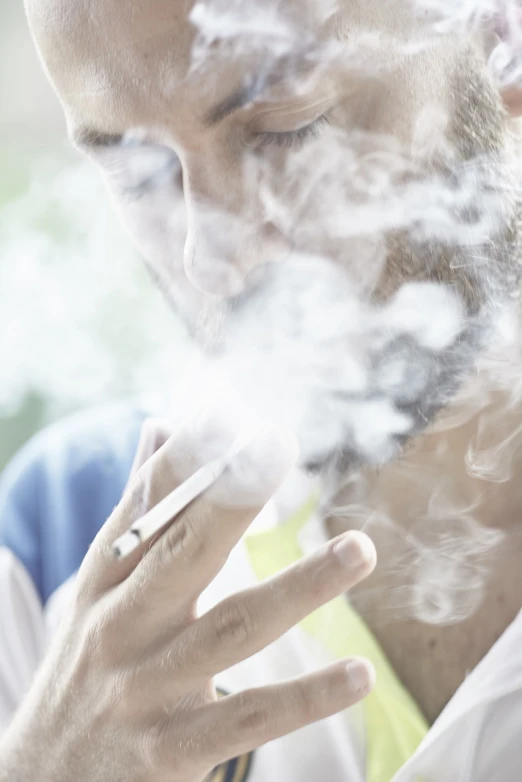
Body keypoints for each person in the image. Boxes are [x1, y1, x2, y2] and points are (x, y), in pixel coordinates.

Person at [2, 0, 522, 780]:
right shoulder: (54, 544)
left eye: (287, 129)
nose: (210, 260)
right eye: (137, 169)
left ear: (496, 39)